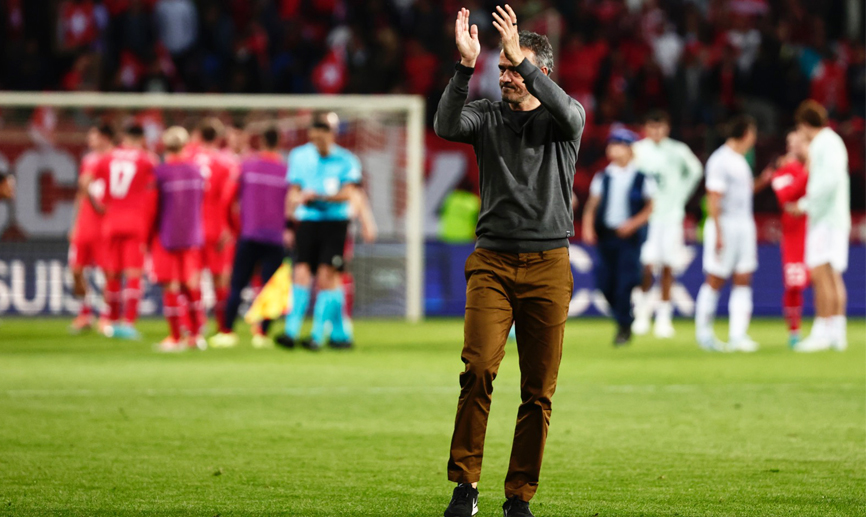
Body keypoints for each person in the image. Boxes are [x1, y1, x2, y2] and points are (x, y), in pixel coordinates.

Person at [435, 7, 585, 517]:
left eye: (514, 69)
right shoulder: (486, 115)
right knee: (477, 369)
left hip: (548, 263)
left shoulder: (563, 120)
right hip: (493, 263)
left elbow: (571, 113)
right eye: (501, 70)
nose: (505, 77)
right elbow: (445, 123)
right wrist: (464, 66)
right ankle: (465, 486)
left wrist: (525, 58)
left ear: (538, 71)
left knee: (538, 391)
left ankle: (518, 496)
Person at [276, 112, 362, 351]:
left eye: (322, 134)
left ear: (332, 134)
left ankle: (318, 335)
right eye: (314, 135)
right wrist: (290, 220)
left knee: (327, 277)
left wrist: (320, 197)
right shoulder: (299, 156)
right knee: (301, 273)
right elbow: (293, 191)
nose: (318, 140)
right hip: (309, 222)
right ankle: (292, 332)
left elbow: (349, 193)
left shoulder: (347, 160)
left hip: (335, 223)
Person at [208, 126, 287, 349]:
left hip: (249, 234)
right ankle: (261, 334)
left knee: (237, 285)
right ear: (279, 142)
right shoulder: (285, 171)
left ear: (261, 141)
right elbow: (292, 204)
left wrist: (231, 228)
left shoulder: (247, 167)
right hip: (274, 237)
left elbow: (227, 199)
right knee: (270, 288)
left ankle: (227, 332)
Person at [631, 110, 703, 338]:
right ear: (645, 128)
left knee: (668, 266)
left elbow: (696, 171)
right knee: (646, 266)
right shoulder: (638, 150)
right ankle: (641, 314)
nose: (656, 131)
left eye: (660, 127)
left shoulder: (678, 150)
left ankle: (664, 317)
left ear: (667, 128)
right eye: (652, 127)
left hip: (671, 216)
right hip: (647, 217)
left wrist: (681, 194)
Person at [787, 101, 850, 352]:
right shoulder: (832, 141)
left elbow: (828, 181)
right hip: (832, 217)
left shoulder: (824, 143)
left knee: (820, 274)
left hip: (826, 219)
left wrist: (804, 204)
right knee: (832, 275)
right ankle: (837, 331)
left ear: (803, 124)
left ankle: (823, 331)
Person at [582, 128, 655, 345]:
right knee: (604, 282)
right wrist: (588, 226)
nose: (613, 149)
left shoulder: (642, 177)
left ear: (630, 149)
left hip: (629, 238)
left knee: (625, 282)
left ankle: (624, 325)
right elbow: (593, 204)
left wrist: (633, 224)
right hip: (607, 236)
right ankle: (624, 317)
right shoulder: (604, 176)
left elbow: (650, 206)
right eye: (612, 144)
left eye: (618, 145)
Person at [693, 115, 759, 353]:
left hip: (744, 225)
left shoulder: (740, 161)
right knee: (716, 278)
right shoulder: (720, 160)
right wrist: (718, 232)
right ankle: (704, 333)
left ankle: (738, 335)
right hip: (725, 225)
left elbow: (745, 193)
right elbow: (713, 198)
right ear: (745, 134)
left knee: (743, 277)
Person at [91, 124, 158, 340]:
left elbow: (86, 183)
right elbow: (156, 186)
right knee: (133, 274)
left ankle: (109, 322)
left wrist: (100, 207)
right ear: (141, 138)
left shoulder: (107, 157)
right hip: (135, 222)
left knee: (111, 273)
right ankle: (128, 323)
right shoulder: (147, 159)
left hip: (111, 221)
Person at [151, 126, 207, 352]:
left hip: (167, 234)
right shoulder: (196, 171)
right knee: (192, 284)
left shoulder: (161, 172)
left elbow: (154, 206)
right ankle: (196, 334)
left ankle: (175, 337)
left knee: (171, 286)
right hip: (192, 234)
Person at [763, 130, 810, 347]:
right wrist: (805, 171)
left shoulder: (819, 166)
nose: (793, 146)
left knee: (823, 280)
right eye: (790, 142)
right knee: (794, 285)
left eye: (797, 142)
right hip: (794, 235)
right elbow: (786, 197)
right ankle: (794, 333)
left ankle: (826, 328)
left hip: (817, 231)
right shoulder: (783, 171)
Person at [189, 118, 235, 333]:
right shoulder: (226, 163)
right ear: (218, 138)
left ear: (199, 135)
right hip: (218, 227)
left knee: (194, 277)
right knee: (220, 278)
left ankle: (198, 323)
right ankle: (223, 327)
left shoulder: (188, 159)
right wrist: (230, 228)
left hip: (192, 227)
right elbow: (230, 200)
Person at [69, 124, 114, 334]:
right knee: (76, 270)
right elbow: (81, 192)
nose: (89, 139)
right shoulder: (88, 159)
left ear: (105, 137)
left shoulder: (116, 158)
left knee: (108, 272)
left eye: (93, 135)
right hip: (86, 223)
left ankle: (106, 316)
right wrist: (75, 223)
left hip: (106, 225)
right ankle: (85, 312)